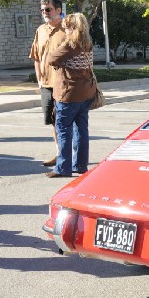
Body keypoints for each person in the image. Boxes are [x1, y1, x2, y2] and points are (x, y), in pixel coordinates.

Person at [44, 13, 97, 178]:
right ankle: (80, 166)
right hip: (86, 92)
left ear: (73, 28)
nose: (64, 31)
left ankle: (62, 168)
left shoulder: (70, 45)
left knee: (63, 129)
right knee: (81, 130)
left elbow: (51, 58)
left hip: (69, 94)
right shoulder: (87, 43)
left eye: (66, 28)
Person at [29, 0, 66, 167]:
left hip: (65, 84)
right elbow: (36, 56)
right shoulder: (41, 30)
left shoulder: (68, 29)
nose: (45, 12)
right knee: (53, 121)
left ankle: (69, 156)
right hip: (46, 84)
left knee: (65, 121)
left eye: (48, 9)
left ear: (58, 10)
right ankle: (60, 154)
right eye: (42, 10)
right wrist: (39, 79)